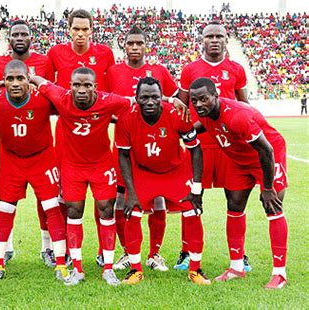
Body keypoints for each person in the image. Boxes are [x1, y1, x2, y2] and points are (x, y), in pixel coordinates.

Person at [30, 67, 131, 286]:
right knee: (74, 212)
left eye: (87, 85)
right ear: (70, 86)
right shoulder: (61, 97)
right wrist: (23, 79)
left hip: (101, 165)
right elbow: (40, 81)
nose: (81, 90)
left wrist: (170, 100)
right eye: (77, 85)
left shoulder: (108, 100)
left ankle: (108, 268)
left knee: (106, 210)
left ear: (96, 87)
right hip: (72, 167)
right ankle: (77, 268)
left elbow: (136, 102)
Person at [189, 77, 288, 289]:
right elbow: (195, 129)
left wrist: (268, 188)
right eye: (194, 100)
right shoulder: (205, 112)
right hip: (239, 160)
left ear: (216, 96)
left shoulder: (238, 116)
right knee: (234, 204)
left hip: (268, 158)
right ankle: (236, 267)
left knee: (273, 207)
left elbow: (267, 150)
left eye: (203, 99)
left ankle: (280, 273)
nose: (198, 105)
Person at [0, 60, 68, 282]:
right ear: (3, 82)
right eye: (9, 79)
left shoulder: (43, 99)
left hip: (43, 158)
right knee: (5, 209)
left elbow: (64, 97)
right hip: (11, 161)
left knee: (52, 208)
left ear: (29, 80)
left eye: (21, 78)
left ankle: (61, 263)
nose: (15, 83)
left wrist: (38, 80)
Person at [116, 77, 210, 285]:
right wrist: (130, 191)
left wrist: (196, 186)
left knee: (193, 213)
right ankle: (135, 269)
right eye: (145, 98)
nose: (150, 102)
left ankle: (195, 269)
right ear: (136, 99)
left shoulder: (177, 113)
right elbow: (123, 155)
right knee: (132, 213)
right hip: (144, 171)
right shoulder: (126, 118)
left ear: (162, 98)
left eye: (155, 97)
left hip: (175, 171)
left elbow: (195, 149)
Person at [176, 20, 251, 271]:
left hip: (231, 145)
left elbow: (245, 105)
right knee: (193, 197)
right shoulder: (190, 69)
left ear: (226, 39)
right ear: (203, 40)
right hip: (199, 144)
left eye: (219, 36)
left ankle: (240, 255)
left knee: (236, 198)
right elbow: (182, 104)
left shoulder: (237, 69)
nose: (215, 40)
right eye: (210, 36)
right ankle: (187, 251)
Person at [107, 26, 182, 271]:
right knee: (122, 198)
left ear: (146, 46)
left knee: (158, 199)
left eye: (140, 43)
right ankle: (128, 252)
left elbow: (176, 96)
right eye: (131, 43)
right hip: (126, 145)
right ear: (124, 46)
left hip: (156, 147)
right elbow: (104, 102)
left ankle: (154, 254)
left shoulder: (159, 71)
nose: (135, 47)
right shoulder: (113, 71)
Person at [47, 9, 115, 267]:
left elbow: (110, 93)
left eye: (85, 29)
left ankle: (102, 251)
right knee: (65, 197)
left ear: (92, 30)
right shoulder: (56, 54)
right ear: (69, 29)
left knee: (103, 198)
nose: (80, 34)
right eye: (76, 29)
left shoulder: (105, 54)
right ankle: (63, 251)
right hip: (66, 135)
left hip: (96, 132)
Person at [0, 20, 56, 267]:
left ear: (31, 38)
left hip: (40, 139)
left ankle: (47, 247)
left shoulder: (45, 61)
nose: (19, 38)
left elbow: (49, 94)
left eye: (24, 34)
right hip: (10, 144)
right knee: (7, 198)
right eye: (15, 34)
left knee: (46, 199)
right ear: (9, 39)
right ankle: (6, 248)